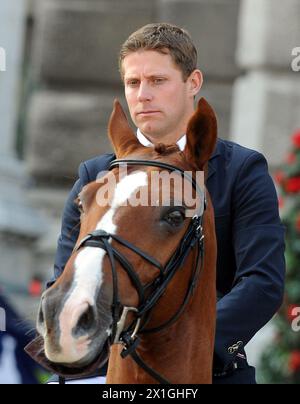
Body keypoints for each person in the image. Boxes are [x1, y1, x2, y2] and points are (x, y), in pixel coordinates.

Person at [46, 23, 285, 384]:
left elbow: (262, 282)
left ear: (193, 83)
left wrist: (186, 347)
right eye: (133, 83)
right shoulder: (95, 175)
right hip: (103, 366)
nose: (143, 95)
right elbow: (68, 274)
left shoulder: (242, 171)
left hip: (210, 368)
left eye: (157, 81)